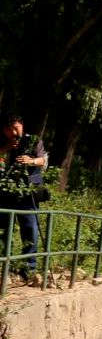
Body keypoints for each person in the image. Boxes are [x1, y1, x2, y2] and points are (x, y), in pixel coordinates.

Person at [1, 116, 48, 284]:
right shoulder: (3, 143)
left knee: (30, 228)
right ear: (5, 131)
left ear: (22, 126)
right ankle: (6, 266)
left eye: (17, 128)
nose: (15, 132)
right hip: (5, 193)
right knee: (4, 230)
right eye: (11, 129)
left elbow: (43, 160)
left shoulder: (33, 141)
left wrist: (31, 161)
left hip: (28, 193)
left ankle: (29, 269)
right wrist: (4, 150)